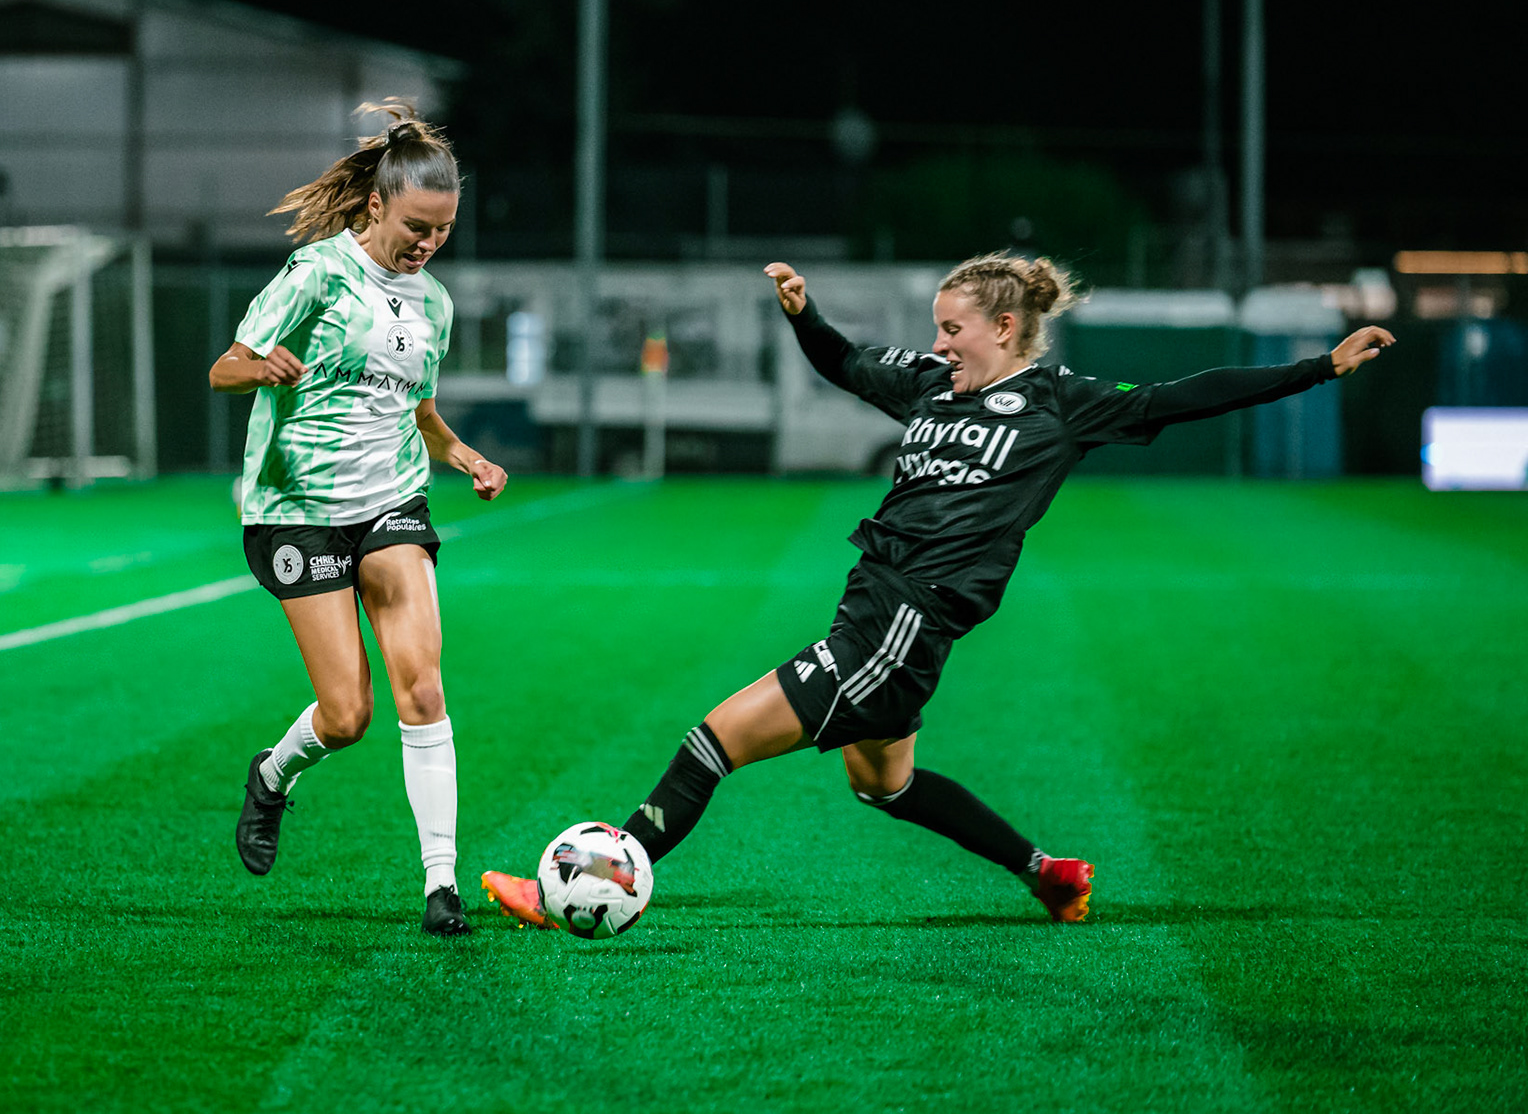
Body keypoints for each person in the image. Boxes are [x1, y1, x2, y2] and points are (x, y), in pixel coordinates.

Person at [485, 253, 1395, 927]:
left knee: (711, 742)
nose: (936, 342)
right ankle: (1050, 874)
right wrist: (804, 315)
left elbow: (1185, 394)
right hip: (878, 611)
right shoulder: (929, 386)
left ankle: (603, 880)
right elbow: (845, 364)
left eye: (952, 328)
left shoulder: (1060, 403)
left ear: (1004, 329)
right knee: (885, 785)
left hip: (901, 624)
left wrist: (1321, 367)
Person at [209, 99, 508, 937]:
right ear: (377, 205)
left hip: (390, 503)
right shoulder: (317, 274)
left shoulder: (434, 306)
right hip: (295, 511)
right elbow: (221, 370)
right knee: (347, 716)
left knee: (423, 685)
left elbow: (417, 408)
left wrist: (465, 456)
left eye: (443, 231)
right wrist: (260, 365)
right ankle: (271, 777)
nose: (427, 245)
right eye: (417, 226)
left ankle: (439, 885)